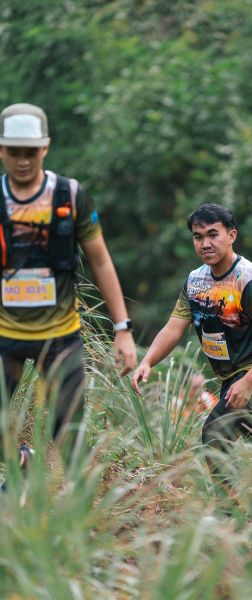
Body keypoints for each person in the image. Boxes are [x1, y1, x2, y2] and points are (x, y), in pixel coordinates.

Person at [0, 103, 137, 487]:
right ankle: (20, 463)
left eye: (31, 152)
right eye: (14, 152)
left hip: (60, 336)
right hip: (5, 335)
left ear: (45, 148)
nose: (23, 161)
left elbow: (101, 261)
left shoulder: (70, 196)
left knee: (70, 433)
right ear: (1, 150)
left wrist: (122, 329)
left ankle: (83, 510)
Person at [132, 203, 252, 483]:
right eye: (198, 236)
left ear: (231, 235)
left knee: (215, 432)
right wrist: (147, 361)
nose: (205, 243)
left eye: (213, 234)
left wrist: (249, 382)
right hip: (233, 374)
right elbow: (174, 327)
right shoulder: (195, 281)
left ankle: (228, 502)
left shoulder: (248, 281)